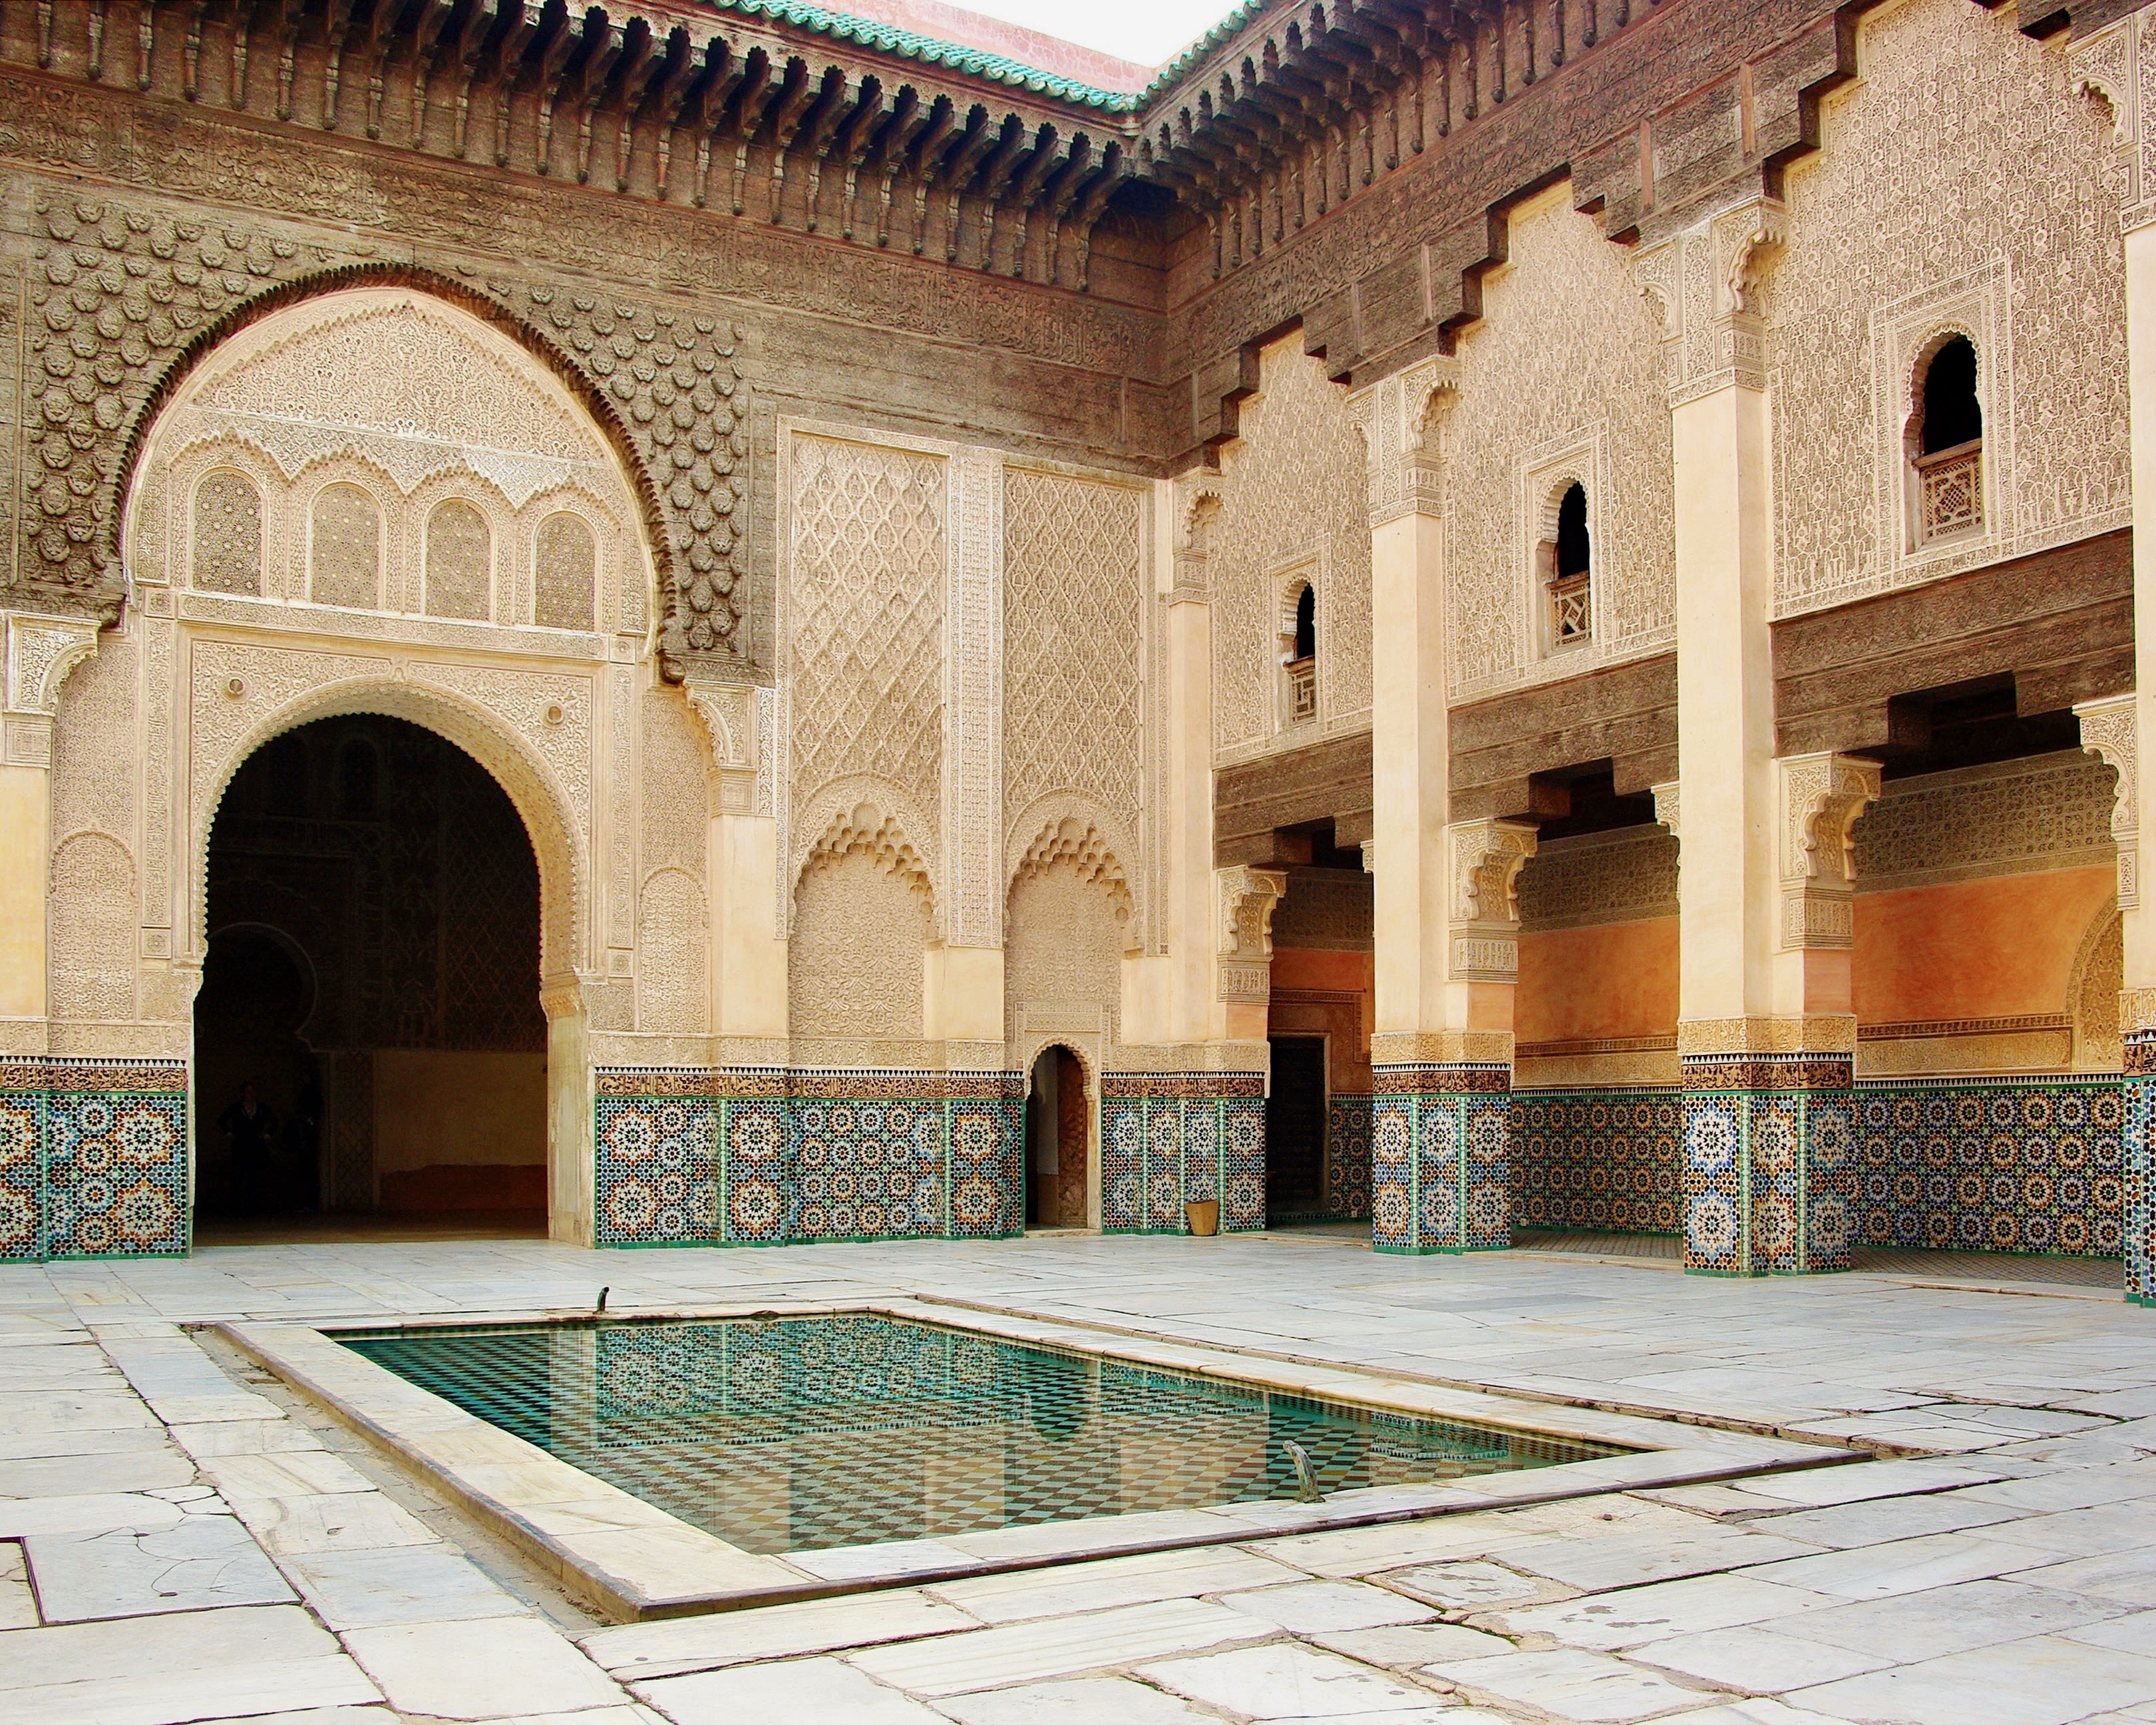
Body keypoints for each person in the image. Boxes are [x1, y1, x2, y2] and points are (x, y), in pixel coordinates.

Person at [218, 1081, 278, 1216]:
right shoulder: (236, 1108)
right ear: (242, 1094)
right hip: (241, 1145)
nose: (250, 1095)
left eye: (253, 1091)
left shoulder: (262, 1108)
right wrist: (229, 1132)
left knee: (256, 1177)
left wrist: (267, 1134)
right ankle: (236, 1209)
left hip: (257, 1146)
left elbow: (274, 1121)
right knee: (238, 1177)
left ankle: (256, 1208)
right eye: (247, 1092)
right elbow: (222, 1120)